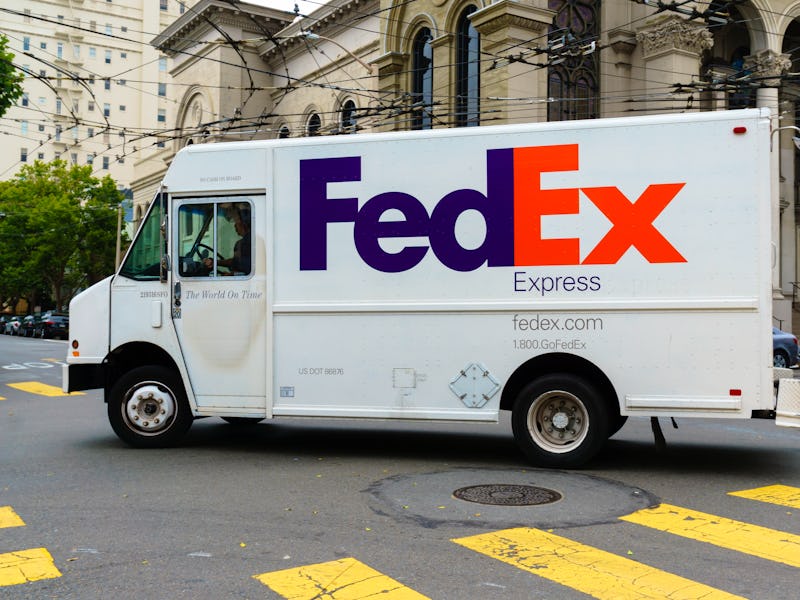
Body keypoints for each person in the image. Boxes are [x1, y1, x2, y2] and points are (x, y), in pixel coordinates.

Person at [204, 209, 251, 275]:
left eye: (236, 221)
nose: (234, 226)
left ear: (244, 223)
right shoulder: (248, 240)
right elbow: (235, 262)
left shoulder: (245, 242)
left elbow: (246, 268)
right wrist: (215, 262)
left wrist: (232, 275)